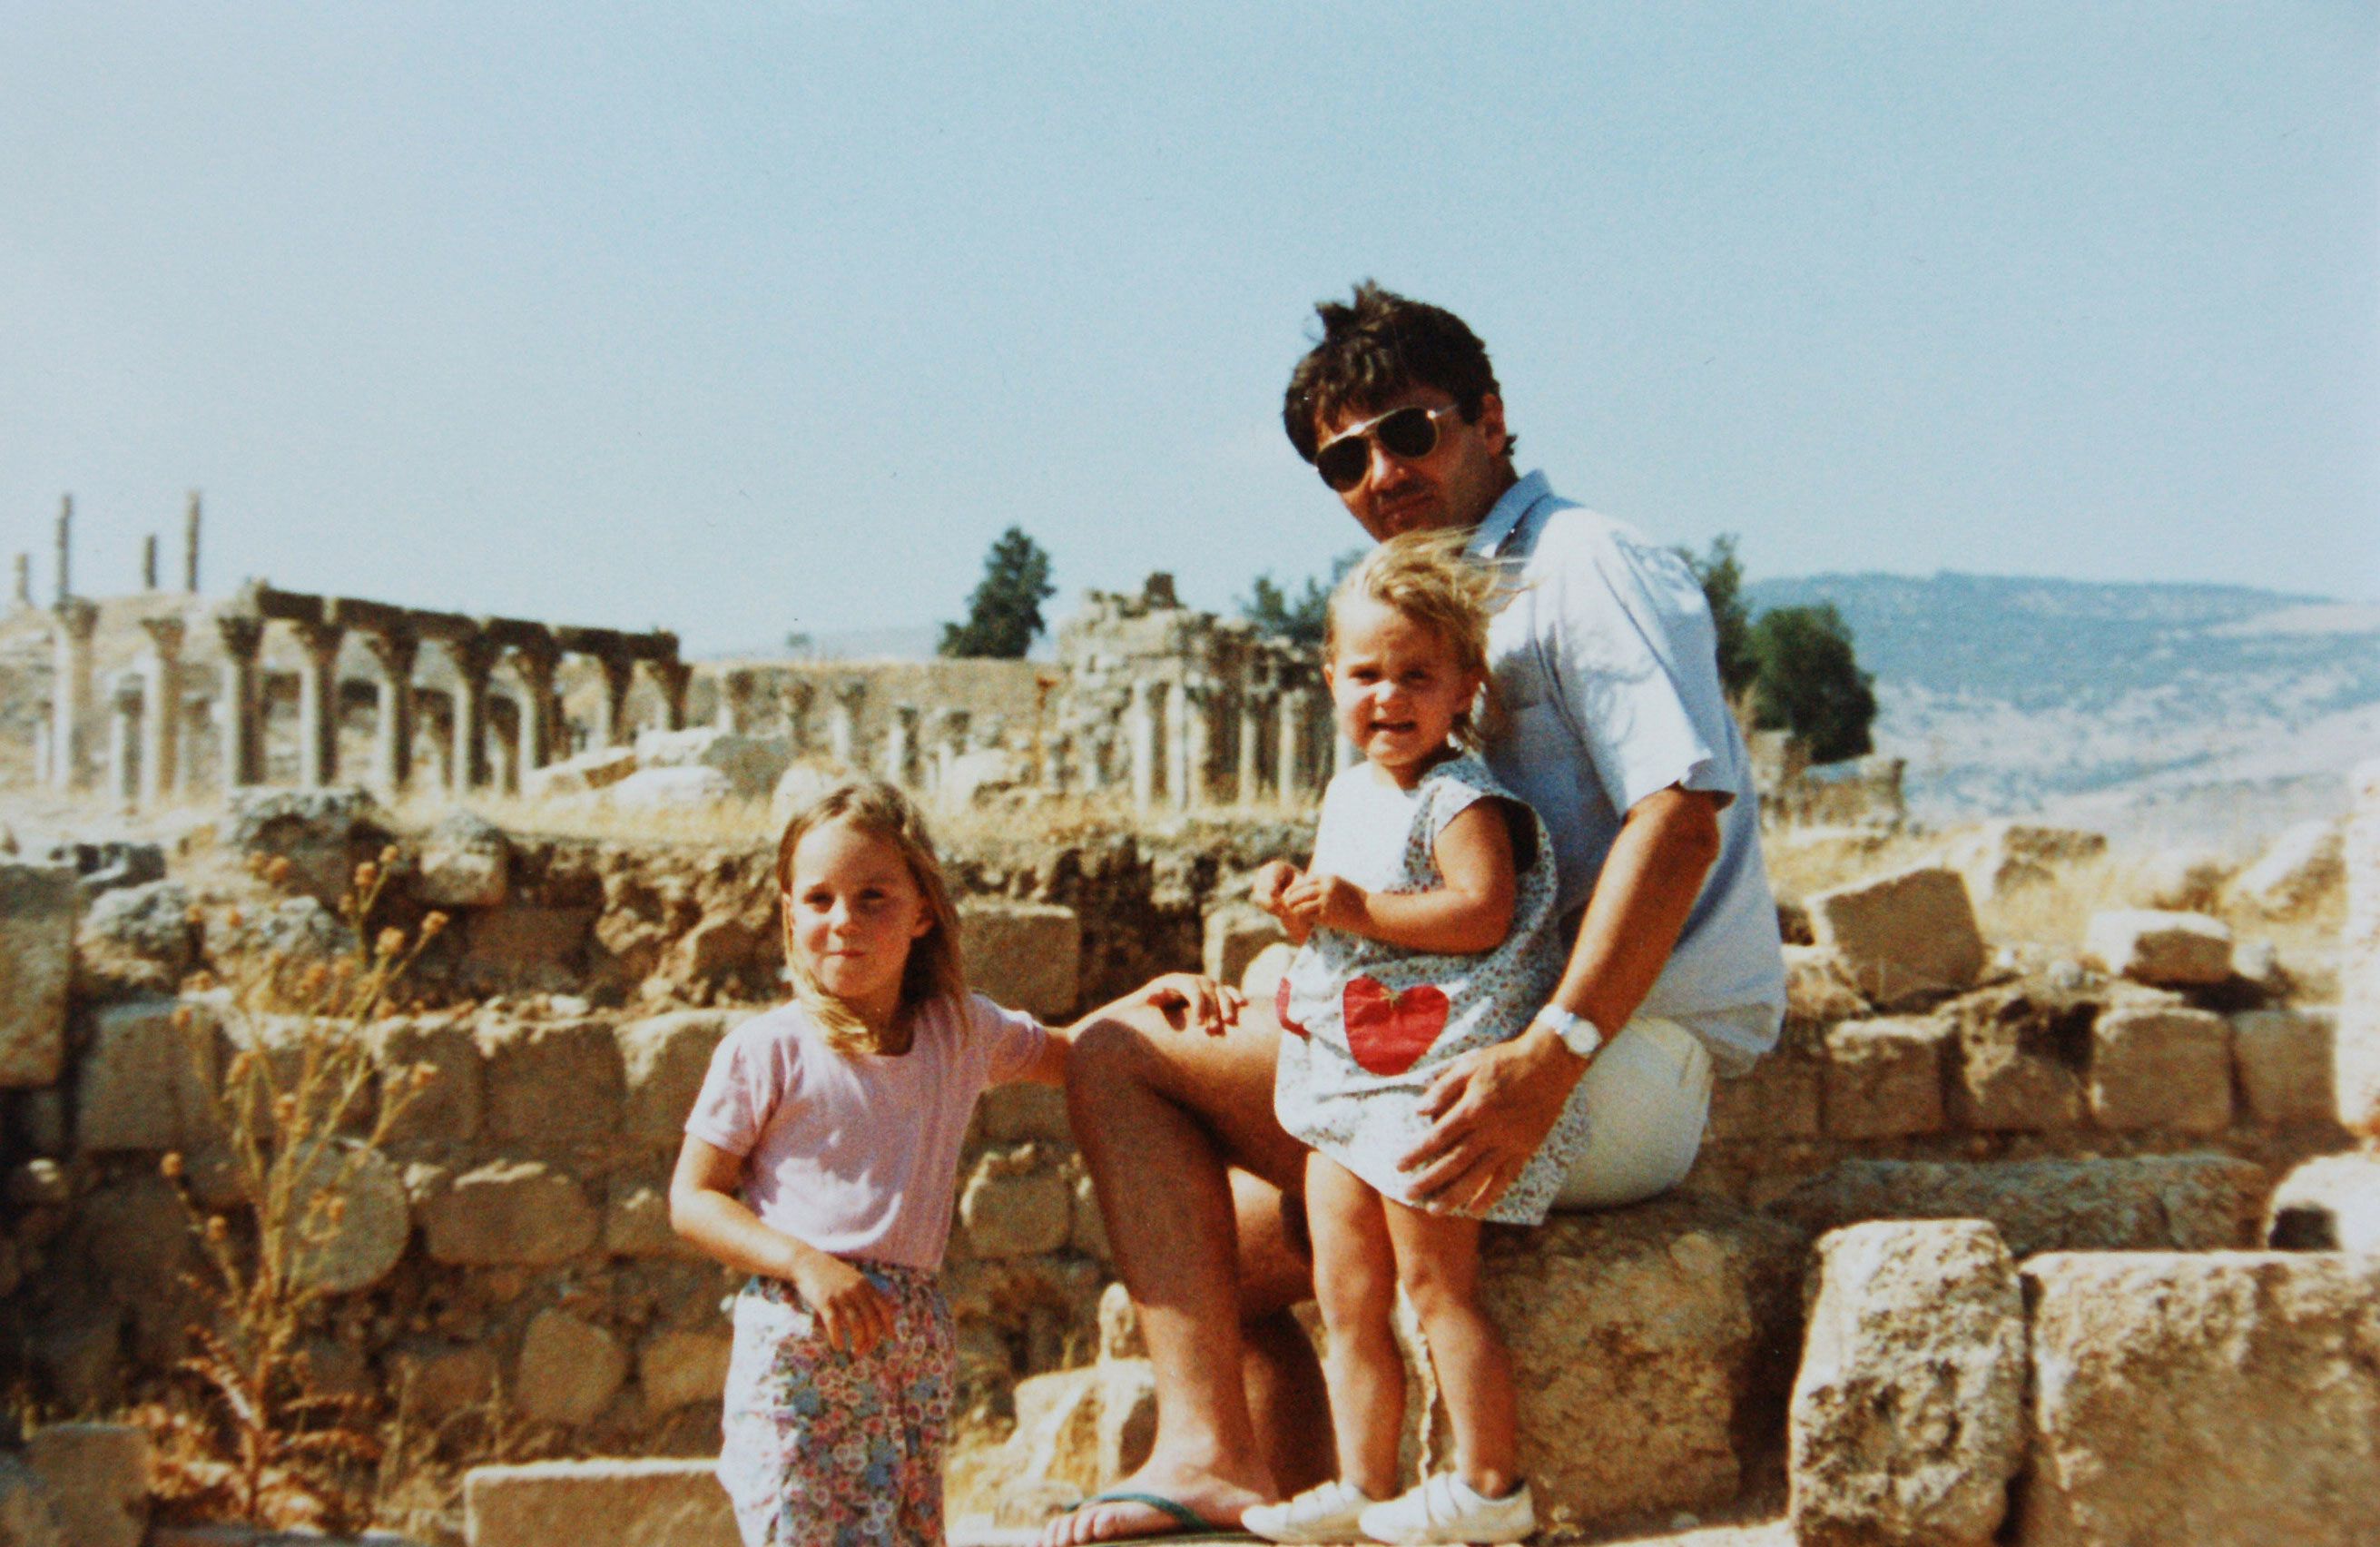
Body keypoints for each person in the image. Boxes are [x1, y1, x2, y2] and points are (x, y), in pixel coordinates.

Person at [1045, 283, 1785, 1546]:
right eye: (1342, 458)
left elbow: (1678, 818)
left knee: (1115, 1053)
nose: (1378, 473)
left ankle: (1201, 1455)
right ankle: (1307, 1500)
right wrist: (1282, 993)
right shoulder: (1426, 612)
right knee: (1205, 1248)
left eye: (1407, 431)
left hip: (1607, 1060)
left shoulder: (1581, 565)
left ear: (1489, 418)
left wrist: (1551, 1055)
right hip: (1462, 1035)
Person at [671, 778, 1239, 1547]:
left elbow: (1075, 1053)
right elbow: (695, 1198)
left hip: (910, 1340)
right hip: (800, 1337)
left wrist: (1152, 998)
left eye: (873, 897)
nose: (843, 922)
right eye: (818, 900)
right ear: (787, 911)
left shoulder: (958, 1031)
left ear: (922, 912)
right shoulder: (766, 1050)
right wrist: (804, 1263)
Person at [1240, 535, 1559, 1545]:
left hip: (1429, 1075)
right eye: (1367, 674)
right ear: (1330, 678)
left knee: (1434, 1284)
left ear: (1466, 685)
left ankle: (1491, 1482)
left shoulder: (1460, 798)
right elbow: (1351, 926)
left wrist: (1362, 906)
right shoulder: (1349, 794)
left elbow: (1482, 912)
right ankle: (1364, 1482)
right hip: (1350, 1076)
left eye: (1417, 675)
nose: (1389, 696)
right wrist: (1301, 907)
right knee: (1347, 1290)